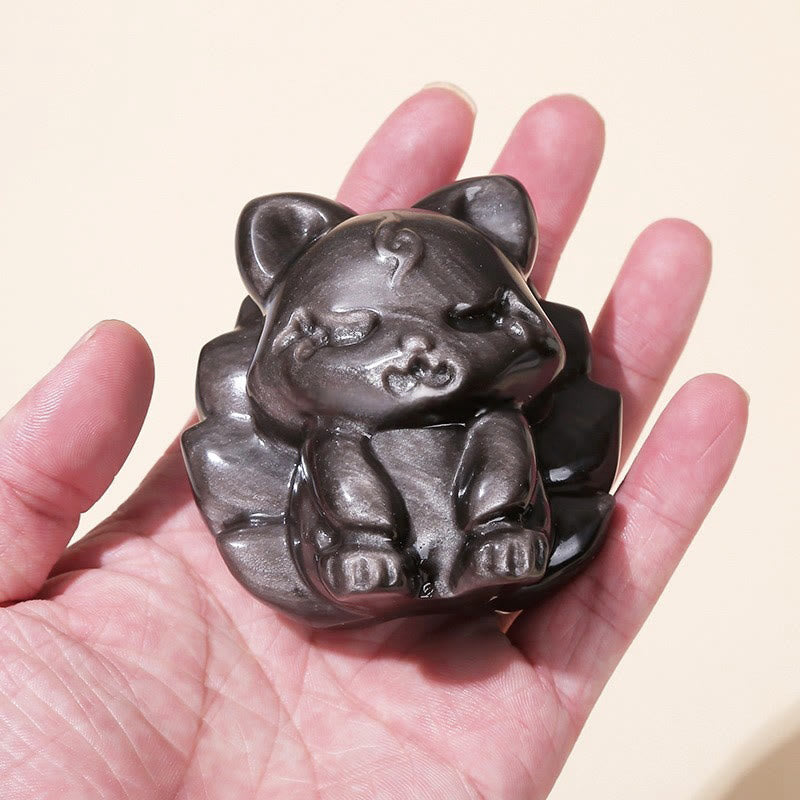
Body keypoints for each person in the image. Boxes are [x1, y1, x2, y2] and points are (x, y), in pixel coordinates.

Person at [0, 85, 747, 799]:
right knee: (341, 453)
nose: (416, 354)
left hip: (490, 490)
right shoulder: (327, 420)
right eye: (360, 331)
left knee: (502, 437)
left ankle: (496, 533)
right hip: (341, 515)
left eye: (466, 318)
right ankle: (359, 548)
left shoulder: (497, 409)